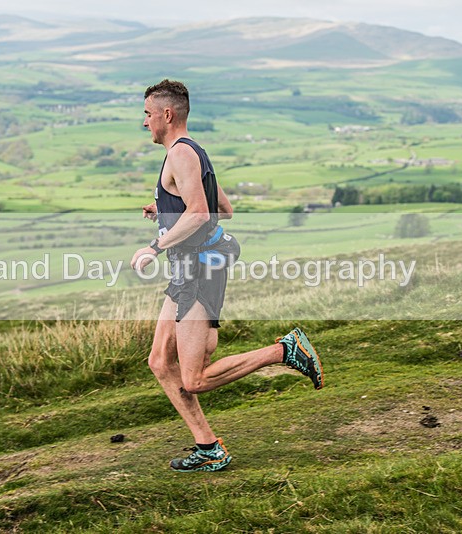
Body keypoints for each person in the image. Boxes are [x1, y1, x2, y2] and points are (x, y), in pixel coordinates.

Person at [130, 79, 323, 473]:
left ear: (167, 114)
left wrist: (156, 245)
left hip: (198, 269)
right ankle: (208, 446)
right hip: (192, 269)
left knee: (195, 377)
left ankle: (285, 351)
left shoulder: (180, 156)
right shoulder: (192, 152)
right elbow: (223, 208)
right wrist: (164, 207)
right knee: (159, 361)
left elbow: (201, 214)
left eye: (148, 114)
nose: (144, 122)